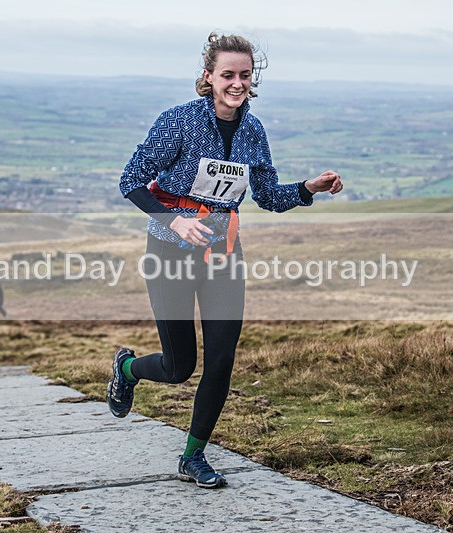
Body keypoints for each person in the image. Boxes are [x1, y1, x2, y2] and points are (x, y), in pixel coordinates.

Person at [107, 32, 343, 489]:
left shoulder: (253, 131)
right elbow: (131, 180)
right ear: (209, 76)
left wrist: (309, 188)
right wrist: (174, 220)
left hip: (224, 255)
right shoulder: (178, 122)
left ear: (253, 79)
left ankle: (193, 456)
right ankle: (128, 369)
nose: (237, 83)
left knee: (220, 361)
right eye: (228, 75)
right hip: (170, 252)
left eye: (245, 75)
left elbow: (269, 197)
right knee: (180, 368)